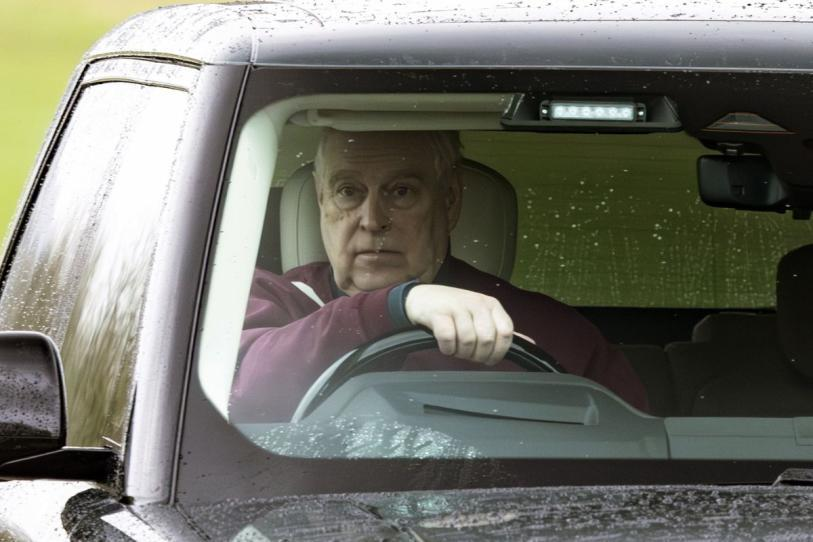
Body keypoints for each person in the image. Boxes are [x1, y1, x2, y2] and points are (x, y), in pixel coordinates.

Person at [230, 129, 649, 422]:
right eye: (348, 191)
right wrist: (398, 305)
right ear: (321, 201)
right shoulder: (268, 303)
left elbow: (629, 462)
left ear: (449, 201)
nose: (372, 220)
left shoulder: (549, 331)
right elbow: (232, 393)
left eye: (401, 191)